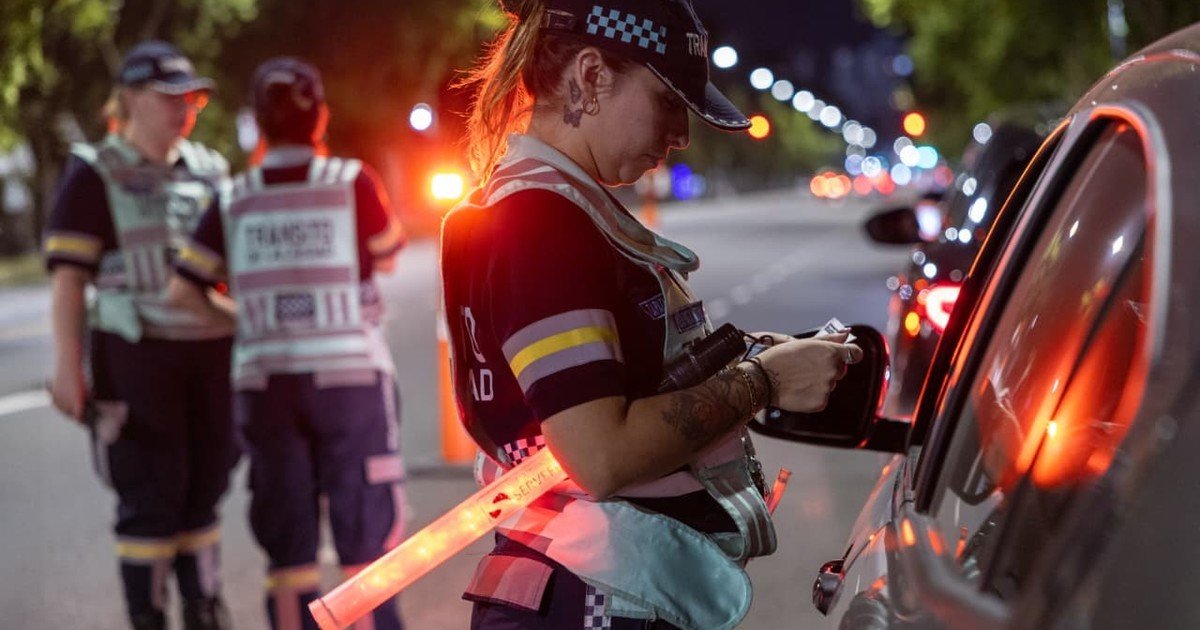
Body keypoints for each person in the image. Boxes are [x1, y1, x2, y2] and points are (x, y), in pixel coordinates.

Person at [441, 1, 864, 628]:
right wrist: (765, 381)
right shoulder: (538, 223)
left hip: (591, 591)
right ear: (590, 76)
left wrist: (750, 359)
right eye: (667, 101)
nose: (681, 134)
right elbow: (601, 453)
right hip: (592, 602)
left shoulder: (558, 209)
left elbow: (624, 388)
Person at [166, 57, 408, 630]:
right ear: (319, 116)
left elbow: (183, 291)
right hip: (350, 384)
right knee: (365, 542)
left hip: (266, 387)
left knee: (288, 549)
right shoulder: (351, 181)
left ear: (258, 122)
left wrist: (248, 318)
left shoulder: (235, 196)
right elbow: (388, 253)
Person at [44, 40, 237, 630]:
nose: (185, 108)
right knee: (151, 494)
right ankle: (148, 615)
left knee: (205, 487)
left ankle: (204, 608)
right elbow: (69, 281)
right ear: (128, 98)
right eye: (169, 96)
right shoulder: (95, 171)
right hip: (134, 358)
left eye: (192, 97)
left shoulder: (210, 170)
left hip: (211, 354)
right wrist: (67, 368)